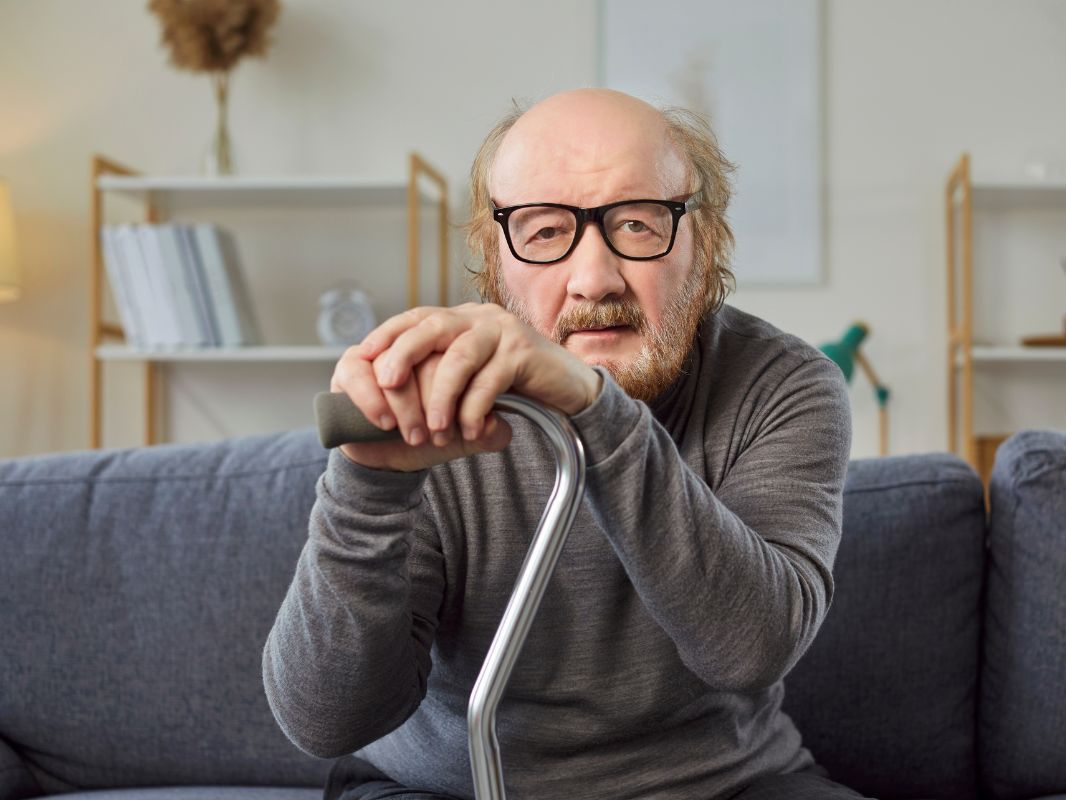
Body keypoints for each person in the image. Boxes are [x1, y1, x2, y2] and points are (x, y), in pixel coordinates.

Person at [263, 88, 859, 800]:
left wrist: (594, 408)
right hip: (444, 789)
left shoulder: (784, 383)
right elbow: (326, 720)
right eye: (545, 232)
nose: (594, 279)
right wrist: (370, 488)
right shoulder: (433, 396)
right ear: (496, 263)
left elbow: (752, 649)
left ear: (704, 245)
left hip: (723, 788)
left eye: (637, 223)